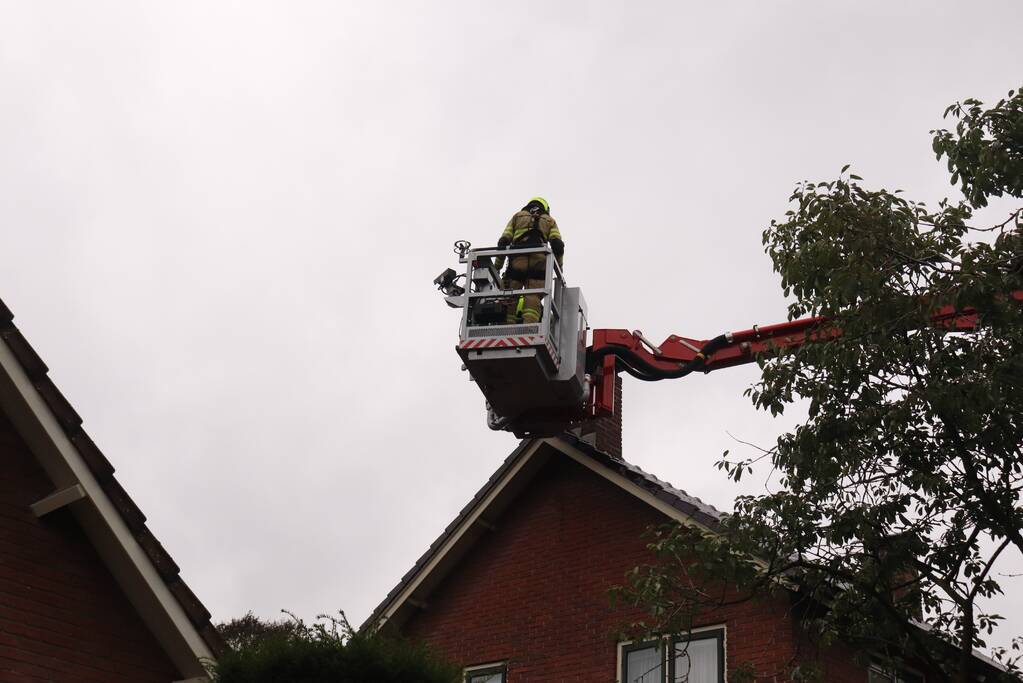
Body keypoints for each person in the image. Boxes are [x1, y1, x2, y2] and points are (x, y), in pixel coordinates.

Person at [495, 197, 564, 324]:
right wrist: (559, 268)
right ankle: (530, 327)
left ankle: (507, 327)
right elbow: (558, 245)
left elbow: (503, 241)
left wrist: (497, 266)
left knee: (509, 296)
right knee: (533, 297)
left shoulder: (517, 216)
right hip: (538, 263)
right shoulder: (549, 220)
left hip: (517, 262)